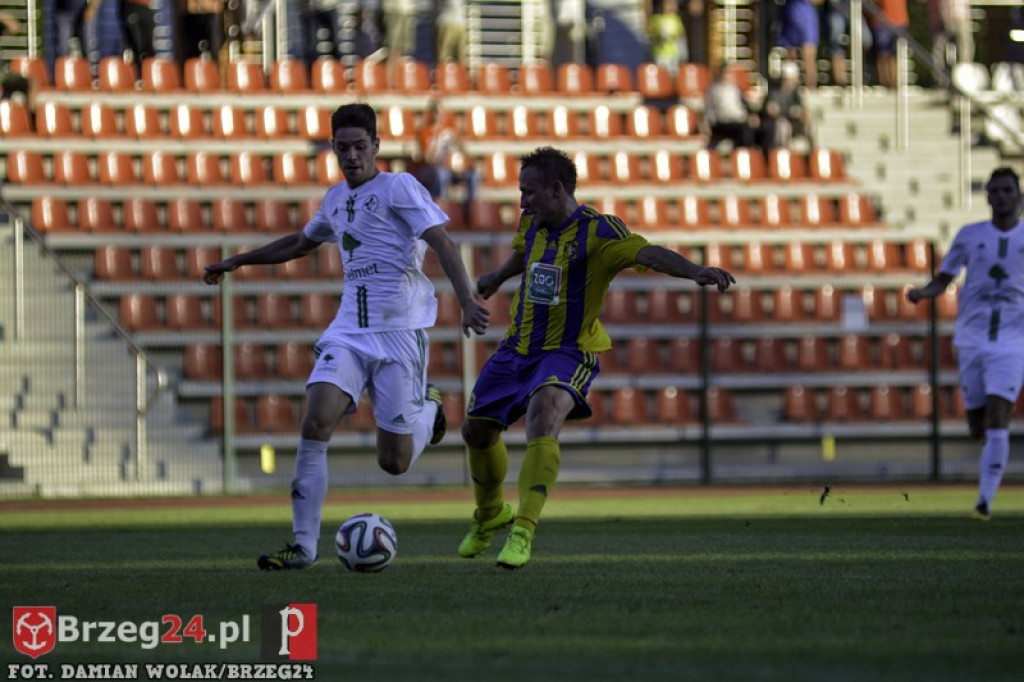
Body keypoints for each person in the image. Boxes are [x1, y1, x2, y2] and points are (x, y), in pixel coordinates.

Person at [202, 103, 490, 569]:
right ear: (334, 150)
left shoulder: (399, 186)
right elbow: (301, 242)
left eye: (359, 146)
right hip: (349, 332)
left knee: (394, 462)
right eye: (343, 148)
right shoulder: (335, 198)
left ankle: (430, 409)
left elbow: (441, 241)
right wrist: (239, 260)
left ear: (376, 145)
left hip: (399, 333)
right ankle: (303, 547)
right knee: (315, 420)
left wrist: (466, 300)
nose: (352, 156)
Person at [456, 147, 735, 569]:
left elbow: (646, 252)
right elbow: (524, 252)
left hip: (568, 350)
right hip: (517, 347)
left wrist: (694, 270)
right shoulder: (532, 221)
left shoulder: (600, 231)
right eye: (520, 192)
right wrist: (497, 277)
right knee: (476, 431)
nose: (522, 202)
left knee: (543, 414)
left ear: (557, 189)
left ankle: (523, 530)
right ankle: (491, 513)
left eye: (529, 192)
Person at [906, 168, 1024, 521]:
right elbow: (944, 278)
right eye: (995, 191)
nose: (1001, 196)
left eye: (1007, 190)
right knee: (977, 425)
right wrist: (922, 293)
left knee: (999, 414)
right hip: (972, 339)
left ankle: (984, 501)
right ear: (987, 197)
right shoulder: (970, 235)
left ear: (1018, 195)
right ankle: (988, 456)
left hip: (1013, 341)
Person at [759, 60, 813, 155]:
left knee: (809, 125)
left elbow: (801, 109)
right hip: (778, 121)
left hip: (794, 121)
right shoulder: (774, 92)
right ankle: (783, 153)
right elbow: (770, 110)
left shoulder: (795, 93)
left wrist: (802, 114)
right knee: (784, 126)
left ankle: (811, 154)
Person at [703, 62, 758, 150]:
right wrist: (708, 126)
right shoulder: (713, 89)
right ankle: (742, 153)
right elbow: (709, 110)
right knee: (744, 130)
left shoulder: (734, 88)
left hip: (740, 120)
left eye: (728, 72)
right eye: (725, 72)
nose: (727, 75)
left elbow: (744, 104)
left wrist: (751, 115)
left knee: (766, 127)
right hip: (724, 122)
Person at [775, 0, 820, 88]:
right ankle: (790, 87)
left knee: (809, 52)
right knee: (790, 51)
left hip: (807, 13)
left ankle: (811, 86)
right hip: (791, 11)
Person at [869, 0, 909, 88]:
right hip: (881, 21)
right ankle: (885, 83)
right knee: (883, 54)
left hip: (899, 21)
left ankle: (893, 84)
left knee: (893, 55)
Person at [647, 0, 687, 75]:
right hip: (660, 53)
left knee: (673, 74)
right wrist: (658, 38)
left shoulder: (676, 19)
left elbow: (681, 33)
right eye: (667, 4)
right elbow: (650, 34)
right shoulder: (656, 19)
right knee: (661, 73)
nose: (670, 6)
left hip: (673, 53)